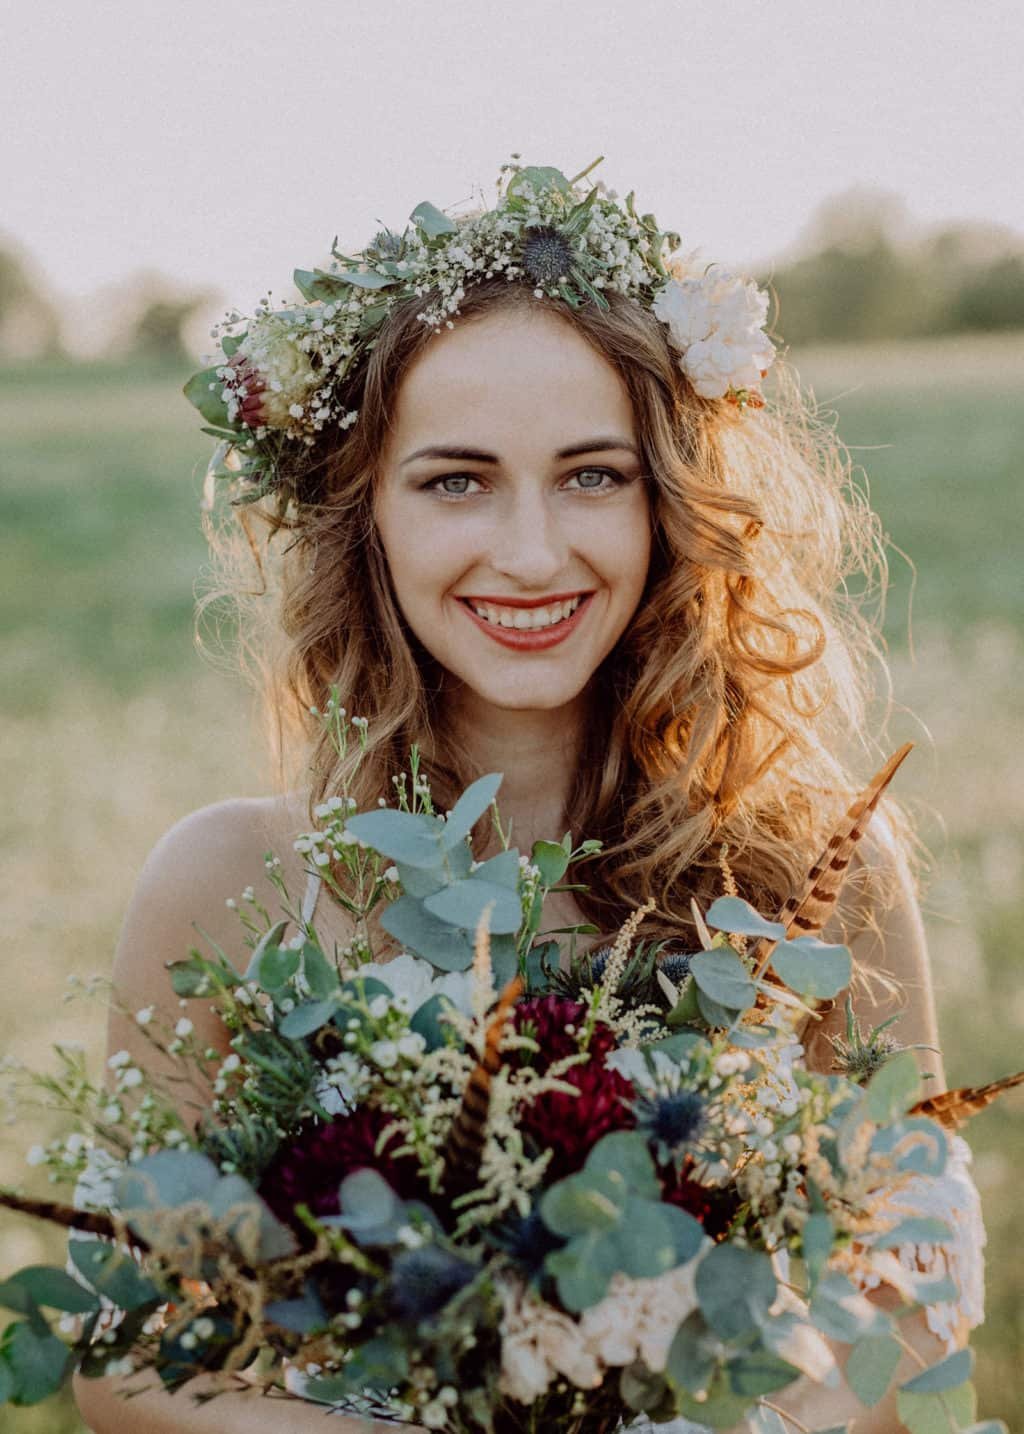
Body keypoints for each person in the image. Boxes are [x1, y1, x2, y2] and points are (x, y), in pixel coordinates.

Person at [73, 162, 983, 1434]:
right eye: (456, 480)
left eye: (592, 475)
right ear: (365, 516)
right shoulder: (231, 884)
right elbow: (127, 1347)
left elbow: (914, 1287)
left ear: (669, 502)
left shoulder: (813, 864)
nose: (533, 551)